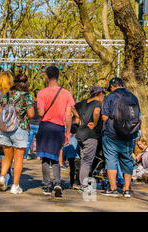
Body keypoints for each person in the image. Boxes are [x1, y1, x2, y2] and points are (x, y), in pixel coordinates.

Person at [36, 66, 75, 198]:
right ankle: (57, 182)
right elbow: (69, 115)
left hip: (45, 127)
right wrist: (68, 132)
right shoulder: (67, 94)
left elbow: (41, 112)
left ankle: (47, 186)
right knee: (56, 156)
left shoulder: (41, 93)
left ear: (46, 77)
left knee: (45, 158)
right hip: (59, 128)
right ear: (58, 77)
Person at [0, 73, 34, 194]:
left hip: (6, 129)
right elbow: (31, 114)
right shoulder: (27, 97)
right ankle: (15, 186)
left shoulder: (7, 95)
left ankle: (2, 177)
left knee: (7, 156)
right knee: (18, 159)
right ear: (26, 83)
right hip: (20, 129)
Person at [101, 77, 140, 198]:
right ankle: (126, 189)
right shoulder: (133, 97)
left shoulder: (110, 97)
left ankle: (113, 189)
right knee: (127, 160)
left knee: (111, 160)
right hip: (128, 135)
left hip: (111, 135)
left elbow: (104, 117)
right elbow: (138, 116)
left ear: (113, 86)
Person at [75, 86, 105, 190]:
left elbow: (72, 107)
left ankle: (82, 182)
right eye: (103, 94)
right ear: (100, 93)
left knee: (83, 160)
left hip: (80, 134)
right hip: (90, 135)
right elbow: (96, 112)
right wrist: (95, 123)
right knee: (87, 162)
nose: (104, 96)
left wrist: (79, 118)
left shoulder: (83, 102)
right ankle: (84, 185)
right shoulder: (97, 103)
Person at [25, 89, 41, 159]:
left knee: (28, 141)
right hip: (39, 124)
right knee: (39, 142)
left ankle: (25, 155)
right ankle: (39, 156)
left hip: (31, 123)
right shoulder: (41, 104)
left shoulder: (31, 103)